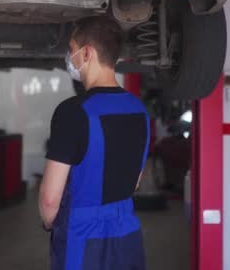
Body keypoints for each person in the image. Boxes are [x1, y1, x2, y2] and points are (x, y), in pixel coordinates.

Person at [39, 16, 150, 270]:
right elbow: (134, 181)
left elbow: (49, 200)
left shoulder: (73, 112)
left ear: (86, 53)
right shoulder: (140, 110)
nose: (70, 57)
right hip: (128, 234)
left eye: (71, 50)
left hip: (83, 239)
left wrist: (49, 223)